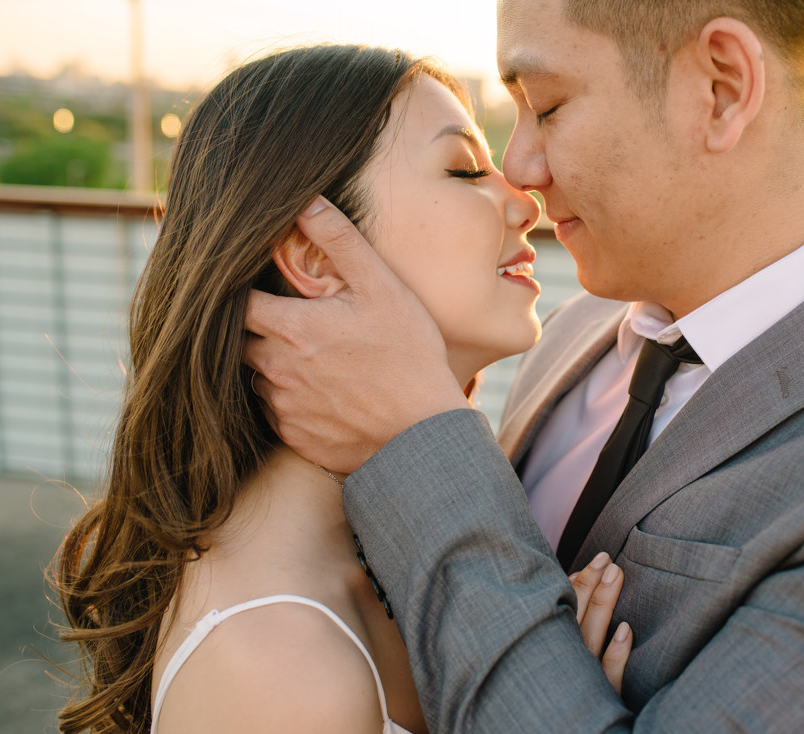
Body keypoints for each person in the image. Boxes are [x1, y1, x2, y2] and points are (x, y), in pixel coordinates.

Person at [244, 0, 804, 731]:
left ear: (720, 86)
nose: (522, 171)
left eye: (547, 105)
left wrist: (422, 441)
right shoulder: (574, 331)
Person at [53, 44, 631, 734]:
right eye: (464, 169)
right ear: (315, 255)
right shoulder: (276, 664)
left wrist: (540, 686)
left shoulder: (385, 552)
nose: (521, 197)